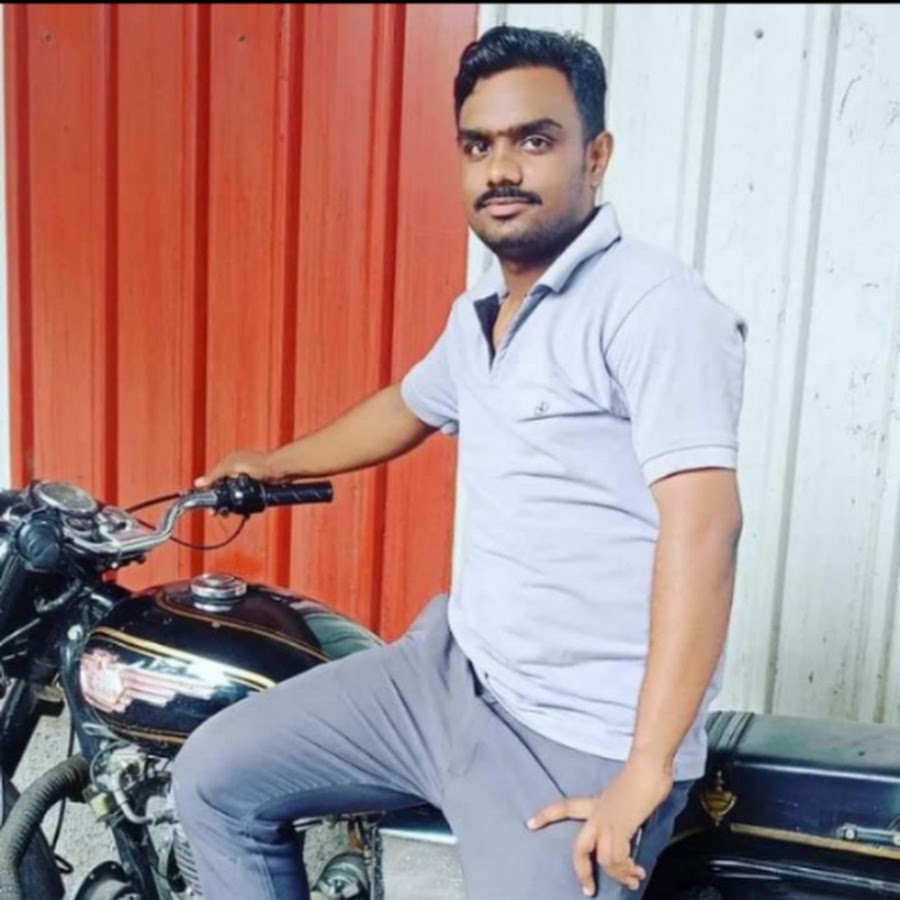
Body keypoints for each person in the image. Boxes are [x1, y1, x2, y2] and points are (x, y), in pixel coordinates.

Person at [173, 23, 746, 900]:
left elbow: (706, 530)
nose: (500, 169)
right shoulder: (483, 311)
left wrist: (646, 767)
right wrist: (275, 462)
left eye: (534, 141)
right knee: (214, 779)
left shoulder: (653, 307)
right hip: (450, 671)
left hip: (577, 737)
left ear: (596, 156)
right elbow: (406, 407)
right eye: (478, 146)